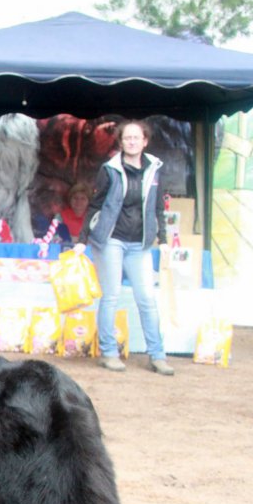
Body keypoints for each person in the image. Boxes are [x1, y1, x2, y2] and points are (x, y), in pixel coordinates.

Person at [74, 120, 175, 375]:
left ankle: (158, 355)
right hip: (111, 240)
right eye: (127, 138)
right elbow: (95, 205)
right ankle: (109, 353)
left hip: (139, 243)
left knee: (147, 299)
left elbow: (159, 208)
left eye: (136, 138)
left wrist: (163, 239)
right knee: (111, 295)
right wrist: (81, 240)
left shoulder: (154, 170)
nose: (131, 142)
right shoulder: (109, 169)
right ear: (121, 142)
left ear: (145, 141)